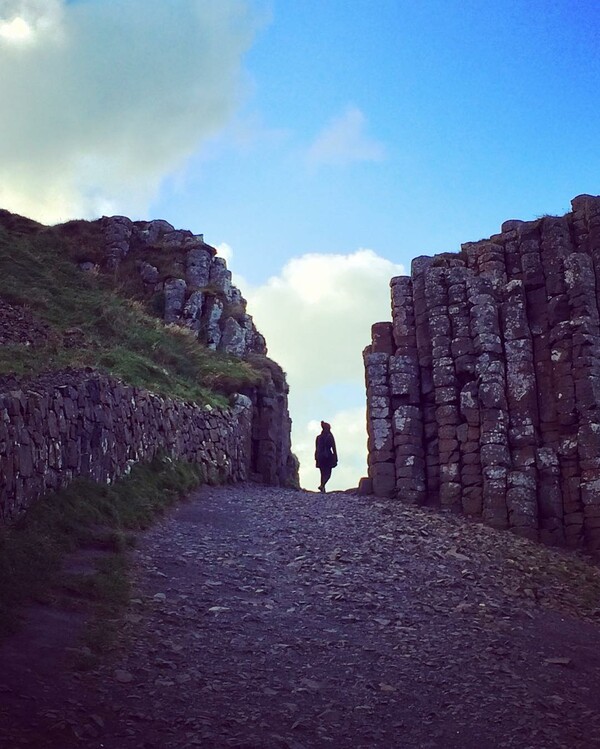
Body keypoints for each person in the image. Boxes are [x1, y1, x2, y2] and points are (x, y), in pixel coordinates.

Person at [315, 421, 338, 492]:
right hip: (328, 456)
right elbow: (334, 447)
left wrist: (316, 456)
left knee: (322, 473)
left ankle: (322, 488)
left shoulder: (318, 437)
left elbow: (316, 448)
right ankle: (322, 485)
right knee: (328, 473)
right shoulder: (330, 436)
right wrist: (336, 457)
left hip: (320, 456)